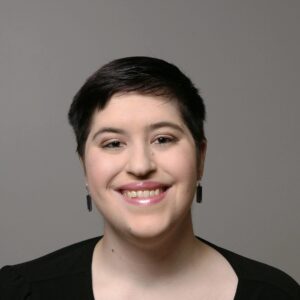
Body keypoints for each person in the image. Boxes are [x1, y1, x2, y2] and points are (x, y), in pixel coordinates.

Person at [0, 56, 299, 299]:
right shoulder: (20, 291)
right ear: (84, 168)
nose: (141, 165)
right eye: (113, 143)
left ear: (201, 157)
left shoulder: (275, 294)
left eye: (163, 139)